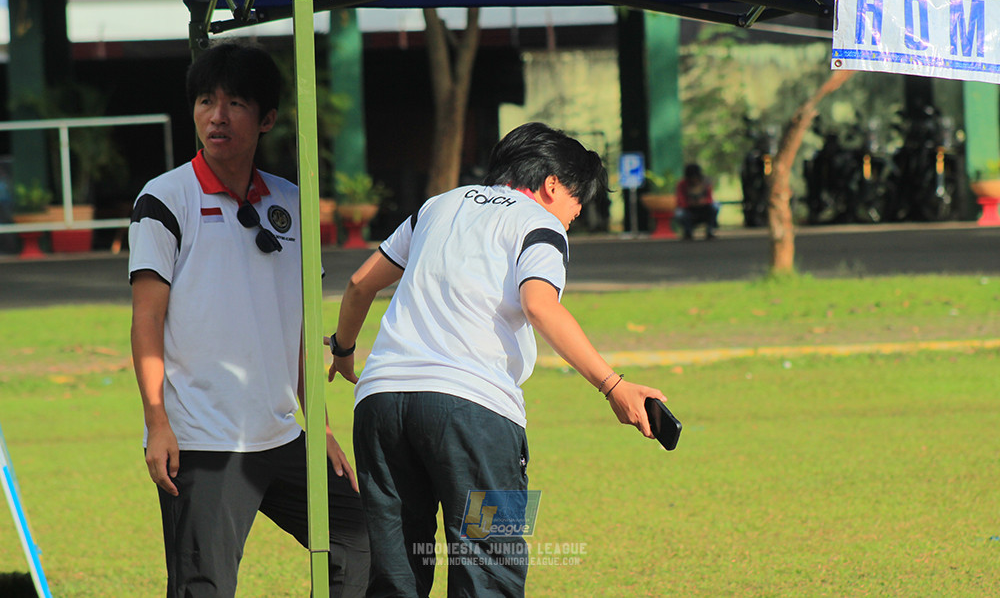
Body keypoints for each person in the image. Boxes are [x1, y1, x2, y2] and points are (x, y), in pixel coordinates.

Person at [327, 122, 667, 597]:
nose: (574, 216)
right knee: (490, 571)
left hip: (381, 404)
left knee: (396, 577)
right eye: (577, 202)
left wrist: (344, 350)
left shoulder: (437, 206)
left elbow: (361, 282)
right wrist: (613, 385)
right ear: (552, 186)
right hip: (474, 416)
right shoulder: (540, 225)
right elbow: (540, 305)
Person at [128, 42, 368, 598]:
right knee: (203, 587)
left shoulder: (292, 201)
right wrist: (158, 423)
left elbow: (304, 324)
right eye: (206, 101)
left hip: (284, 437)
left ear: (267, 119)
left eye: (235, 103)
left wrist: (322, 426)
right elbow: (146, 323)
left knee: (361, 545)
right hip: (202, 444)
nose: (217, 116)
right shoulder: (163, 200)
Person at [675, 162, 719, 240]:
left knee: (716, 206)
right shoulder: (682, 184)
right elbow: (680, 200)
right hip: (689, 210)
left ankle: (710, 230)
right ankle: (688, 231)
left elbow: (710, 198)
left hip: (704, 209)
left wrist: (704, 202)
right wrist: (690, 203)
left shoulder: (705, 183)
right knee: (679, 213)